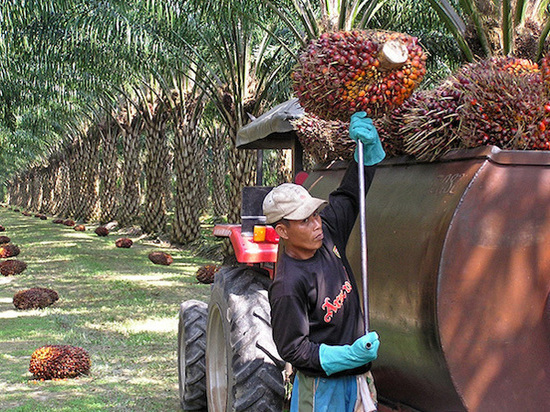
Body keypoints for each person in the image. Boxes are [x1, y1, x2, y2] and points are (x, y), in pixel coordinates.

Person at [263, 112, 385, 412]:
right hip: (322, 389)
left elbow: (350, 195)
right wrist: (345, 356)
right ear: (282, 230)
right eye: (305, 220)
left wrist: (366, 152)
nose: (316, 224)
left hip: (358, 381)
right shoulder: (288, 285)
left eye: (315, 214)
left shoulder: (328, 232)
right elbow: (293, 348)